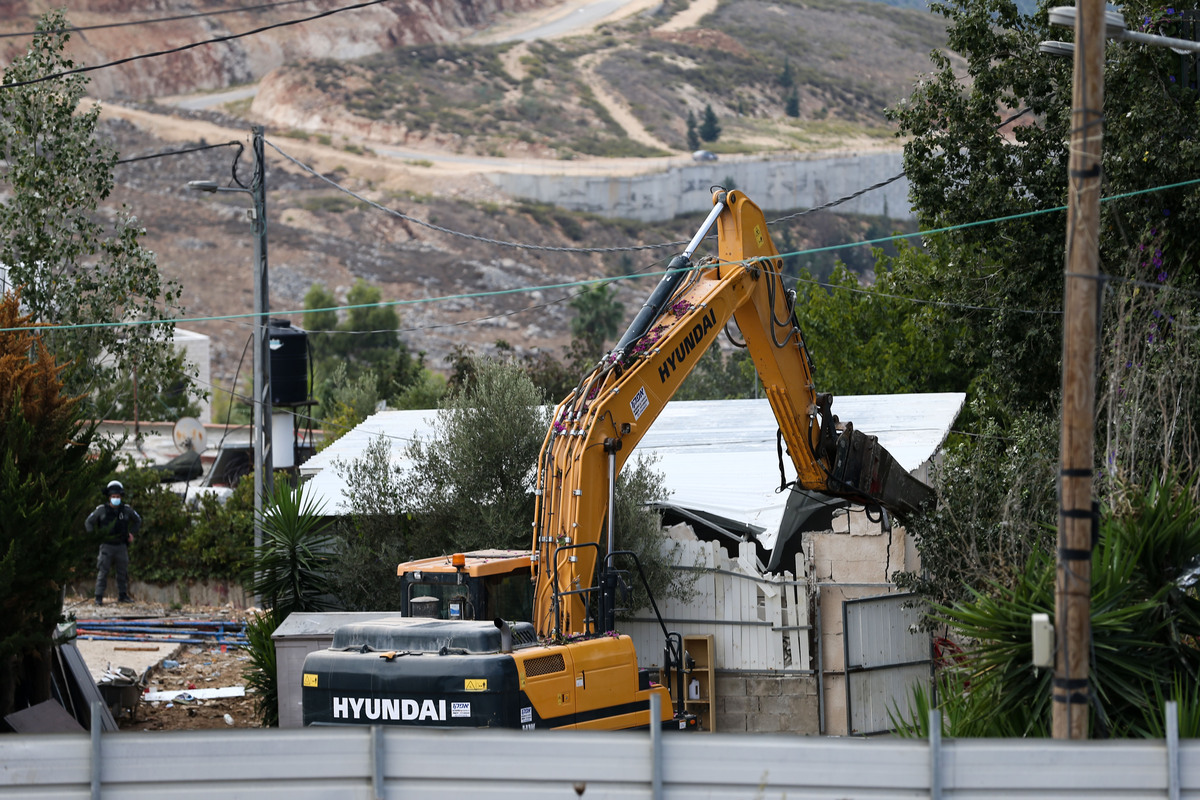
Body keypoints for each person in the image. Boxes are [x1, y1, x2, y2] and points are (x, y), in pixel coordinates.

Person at [86, 480, 143, 605]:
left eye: (118, 497)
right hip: (106, 546)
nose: (115, 499)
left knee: (122, 573)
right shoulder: (102, 510)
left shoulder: (126, 510)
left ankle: (122, 595)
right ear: (109, 497)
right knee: (103, 572)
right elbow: (89, 522)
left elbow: (138, 520)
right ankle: (98, 597)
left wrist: (132, 533)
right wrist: (94, 536)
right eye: (113, 497)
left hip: (121, 545)